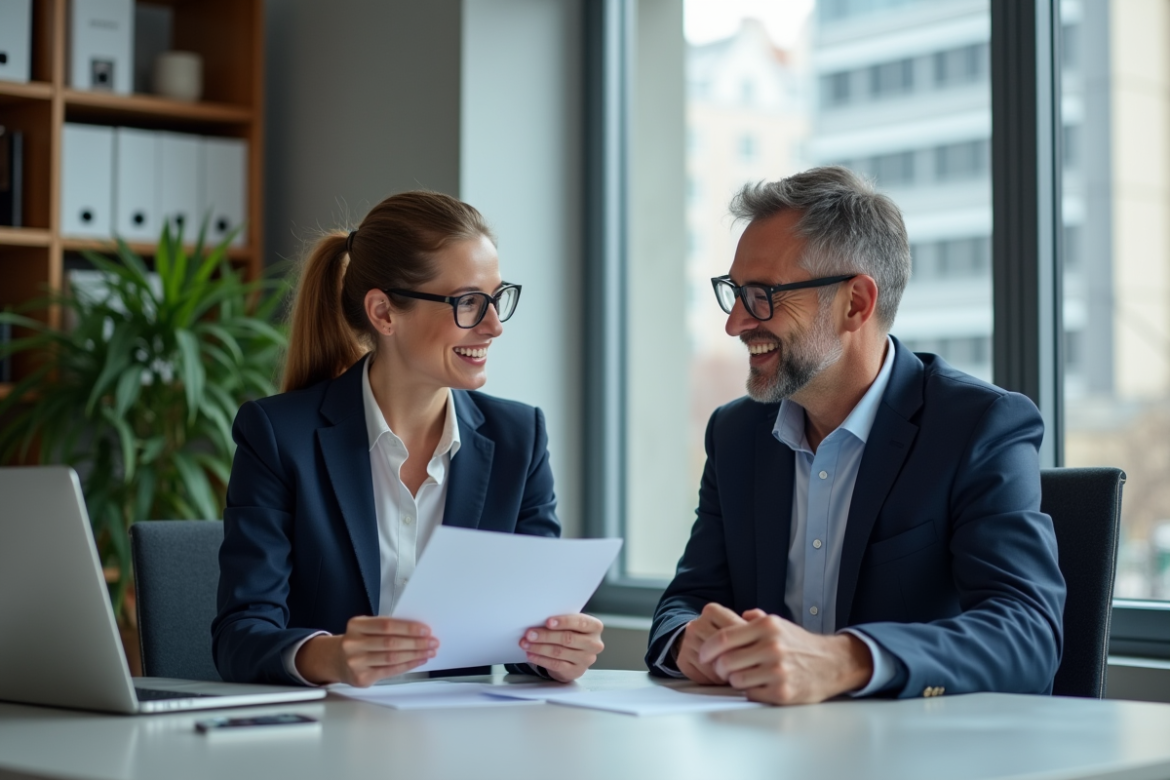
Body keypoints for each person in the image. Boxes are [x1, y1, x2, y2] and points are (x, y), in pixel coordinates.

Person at [646, 167, 1066, 704]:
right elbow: (686, 601)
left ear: (855, 304)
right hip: (770, 750)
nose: (735, 323)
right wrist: (686, 639)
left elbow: (1027, 635)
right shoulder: (737, 434)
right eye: (734, 293)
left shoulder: (978, 426)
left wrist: (847, 660)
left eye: (762, 295)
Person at [213, 191, 603, 687]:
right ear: (383, 313)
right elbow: (240, 636)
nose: (494, 326)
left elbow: (524, 634)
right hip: (325, 740)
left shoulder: (518, 440)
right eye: (468, 302)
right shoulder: (278, 437)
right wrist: (329, 657)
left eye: (497, 299)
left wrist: (557, 650)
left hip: (460, 742)